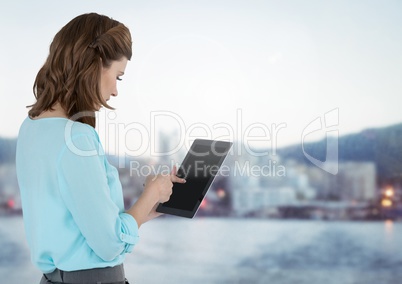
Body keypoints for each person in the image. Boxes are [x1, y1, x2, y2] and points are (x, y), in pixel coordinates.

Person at [15, 12, 185, 284]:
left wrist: (143, 211)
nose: (116, 91)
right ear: (93, 65)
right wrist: (151, 192)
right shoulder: (77, 138)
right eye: (118, 76)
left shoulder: (30, 127)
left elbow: (74, 222)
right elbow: (108, 245)